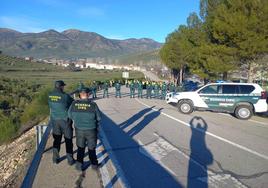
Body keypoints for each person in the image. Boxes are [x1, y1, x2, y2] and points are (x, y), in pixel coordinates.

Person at [68, 87, 101, 171]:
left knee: (80, 148)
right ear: (88, 94)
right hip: (91, 130)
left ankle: (79, 166)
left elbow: (70, 116)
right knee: (91, 148)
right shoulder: (93, 105)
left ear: (79, 95)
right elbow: (99, 118)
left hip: (79, 130)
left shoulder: (74, 104)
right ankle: (94, 165)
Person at [48, 80, 74, 165]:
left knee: (57, 140)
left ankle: (55, 159)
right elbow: (72, 103)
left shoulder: (49, 95)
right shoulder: (65, 96)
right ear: (61, 87)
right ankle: (70, 160)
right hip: (65, 120)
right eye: (63, 86)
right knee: (68, 140)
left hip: (55, 121)